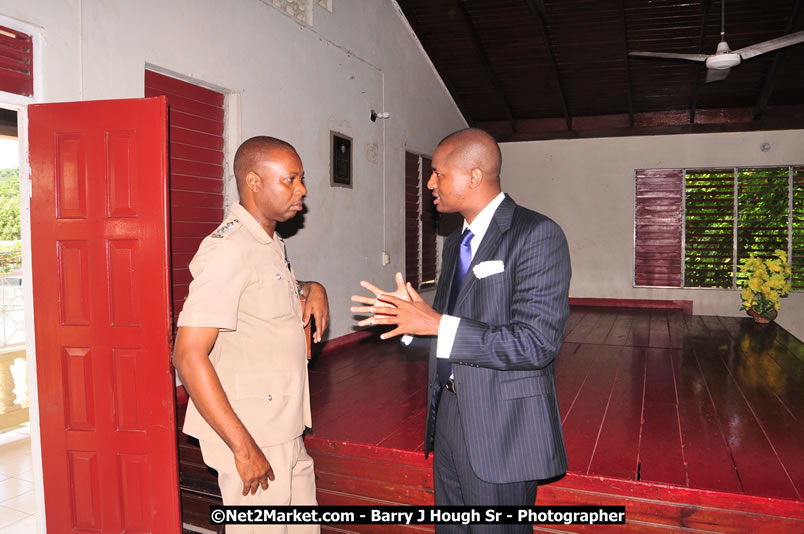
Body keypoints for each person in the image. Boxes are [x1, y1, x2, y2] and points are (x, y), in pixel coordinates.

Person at [351, 128, 571, 533]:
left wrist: (435, 323)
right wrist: (408, 321)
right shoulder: (456, 243)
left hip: (503, 424)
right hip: (451, 412)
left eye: (437, 173)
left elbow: (536, 343)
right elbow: (450, 329)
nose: (430, 183)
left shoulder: (536, 234)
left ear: (473, 176)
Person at [173, 136, 328, 534]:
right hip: (253, 433)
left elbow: (261, 298)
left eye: (301, 179)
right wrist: (243, 447)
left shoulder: (269, 241)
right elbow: (188, 355)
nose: (302, 190)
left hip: (284, 426)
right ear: (255, 182)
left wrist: (311, 287)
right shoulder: (228, 249)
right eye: (290, 180)